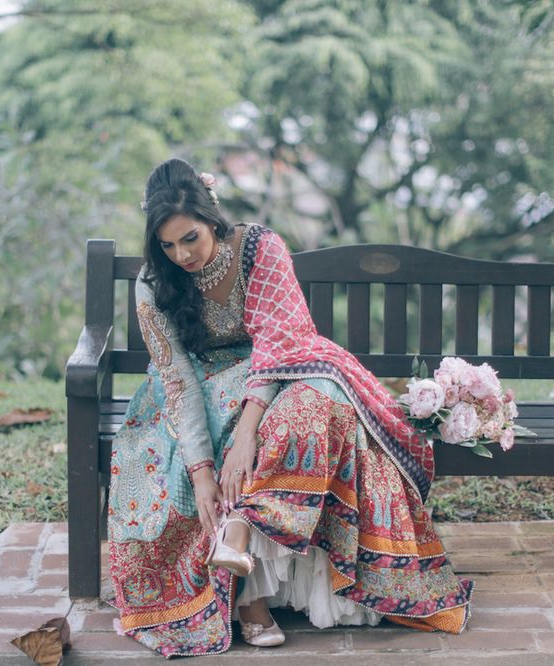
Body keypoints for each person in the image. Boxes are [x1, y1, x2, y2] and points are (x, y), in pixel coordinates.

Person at [107, 158, 473, 658]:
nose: (182, 255)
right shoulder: (153, 282)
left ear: (212, 216)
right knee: (209, 440)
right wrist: (202, 471)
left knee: (319, 403)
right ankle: (247, 598)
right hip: (198, 388)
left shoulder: (259, 247)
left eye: (190, 238)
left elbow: (281, 342)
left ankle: (242, 536)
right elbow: (178, 380)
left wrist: (246, 436)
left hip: (282, 366)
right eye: (168, 245)